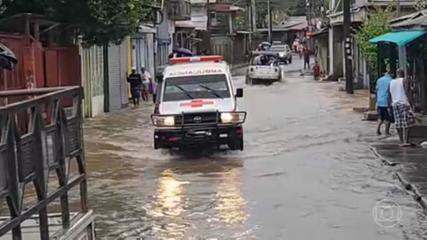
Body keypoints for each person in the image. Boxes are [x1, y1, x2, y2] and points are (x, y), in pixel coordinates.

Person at [389, 69, 414, 147]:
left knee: (398, 123)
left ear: (397, 74)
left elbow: (389, 94)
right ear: (403, 74)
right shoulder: (404, 80)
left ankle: (401, 140)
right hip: (404, 103)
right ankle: (406, 141)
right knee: (408, 122)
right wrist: (411, 103)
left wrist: (390, 104)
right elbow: (407, 92)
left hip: (395, 104)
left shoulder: (391, 82)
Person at [375, 69, 393, 136]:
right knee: (388, 118)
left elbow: (376, 91)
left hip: (379, 101)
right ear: (391, 75)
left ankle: (377, 130)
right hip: (386, 102)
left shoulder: (379, 80)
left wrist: (376, 101)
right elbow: (390, 92)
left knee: (380, 117)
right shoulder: (391, 81)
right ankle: (386, 132)